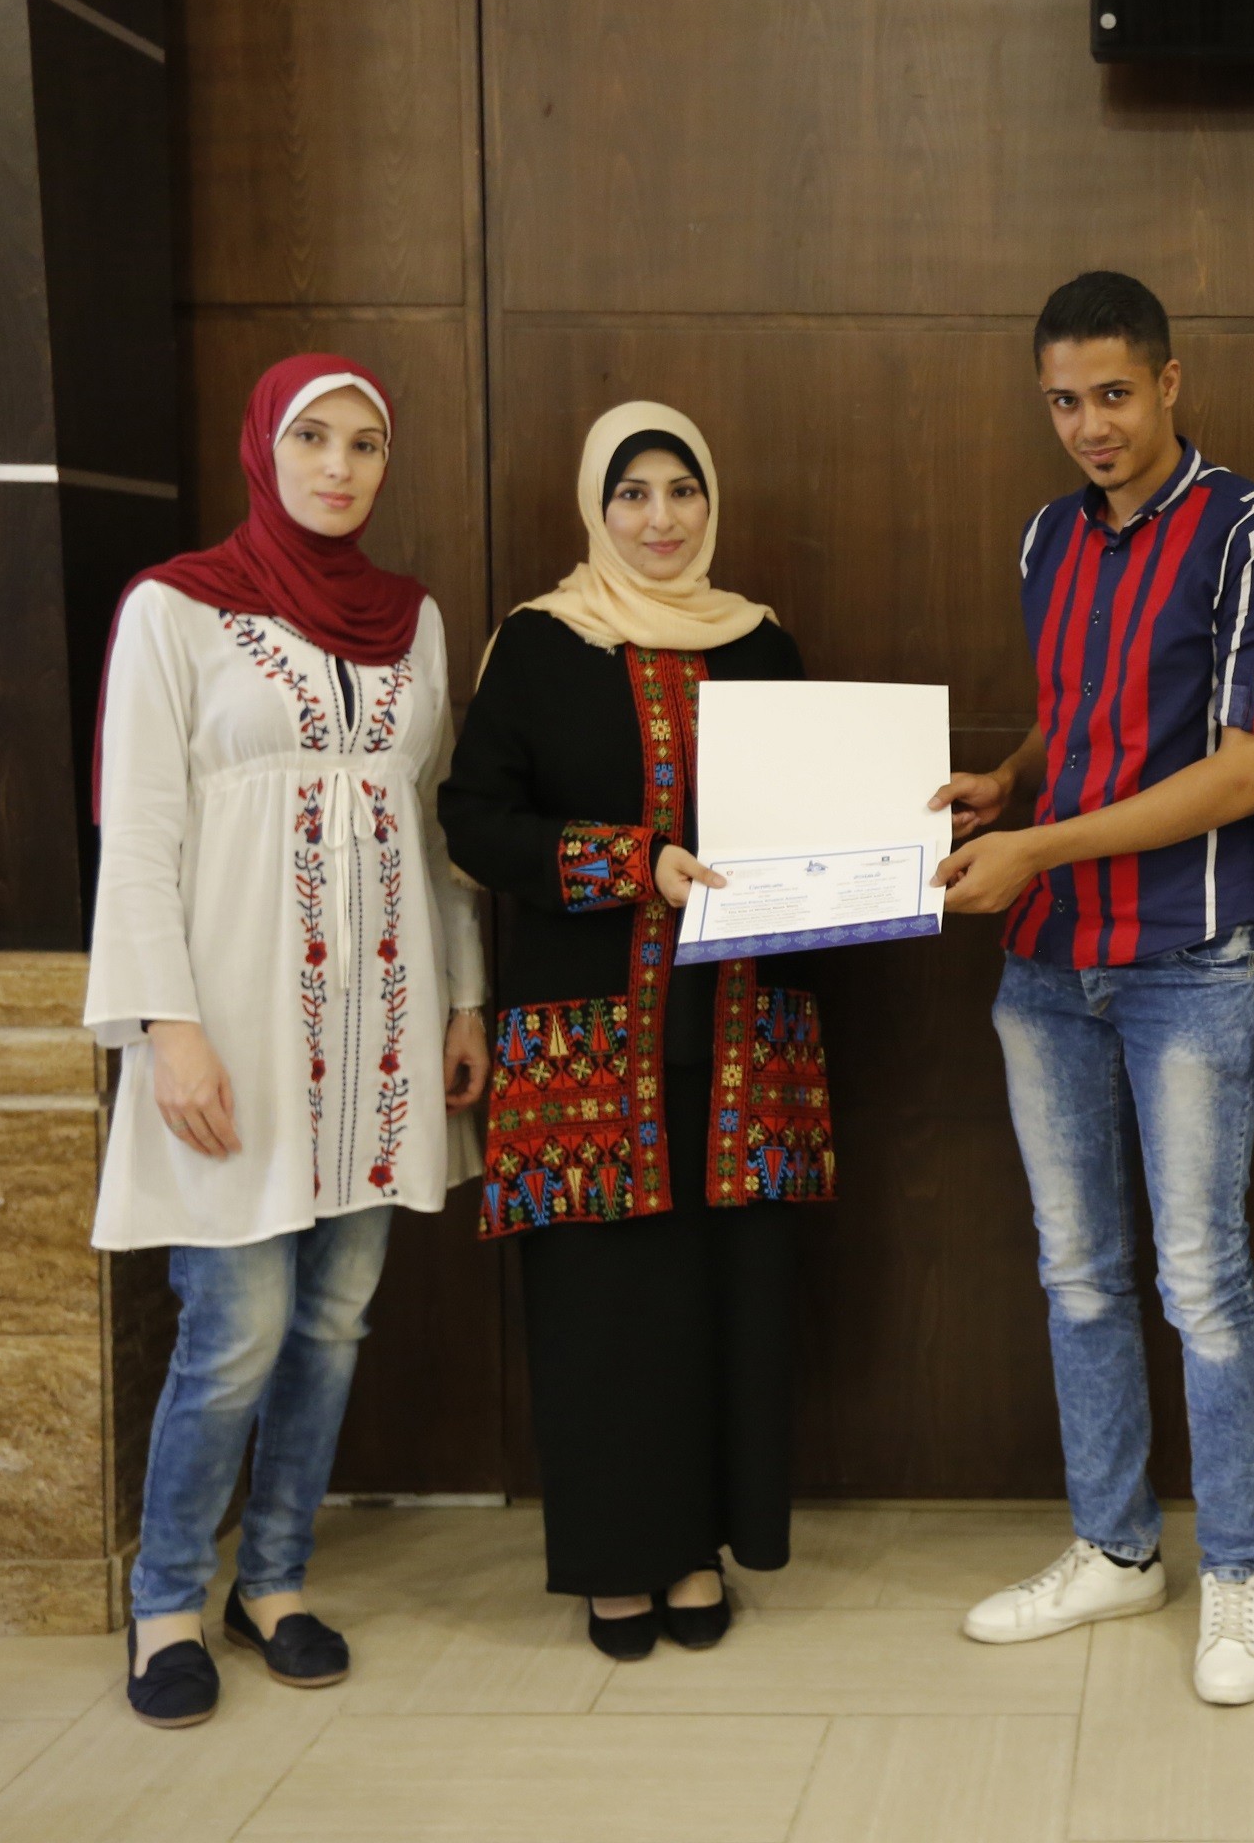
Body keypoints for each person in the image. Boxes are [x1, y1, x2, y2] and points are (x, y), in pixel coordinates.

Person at [86, 353, 489, 1729]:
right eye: (314, 437)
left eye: (365, 444)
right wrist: (168, 1029)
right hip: (236, 1034)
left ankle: (275, 1580)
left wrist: (465, 998)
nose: (339, 466)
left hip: (379, 1036)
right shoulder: (177, 609)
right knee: (237, 1327)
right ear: (265, 447)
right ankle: (164, 1601)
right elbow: (139, 830)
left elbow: (433, 825)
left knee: (333, 1318)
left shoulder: (410, 622)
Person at [934, 271, 1254, 1705]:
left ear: (1168, 384)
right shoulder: (1047, 535)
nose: (1089, 425)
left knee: (1201, 1281)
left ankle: (1239, 1574)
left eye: (1111, 394)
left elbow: (1248, 771)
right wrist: (1010, 781)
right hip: (1048, 966)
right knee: (1077, 1274)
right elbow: (1079, 709)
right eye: (1062, 402)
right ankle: (1114, 1548)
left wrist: (1034, 845)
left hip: (1190, 961)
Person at [438, 402, 831, 1661]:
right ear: (595, 508)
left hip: (738, 1036)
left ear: (710, 501)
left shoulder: (760, 645)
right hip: (585, 1042)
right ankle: (618, 1564)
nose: (660, 519)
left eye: (681, 491)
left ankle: (698, 1548)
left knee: (723, 1301)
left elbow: (815, 810)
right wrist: (629, 862)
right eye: (632, 494)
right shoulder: (540, 643)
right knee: (605, 1310)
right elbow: (474, 819)